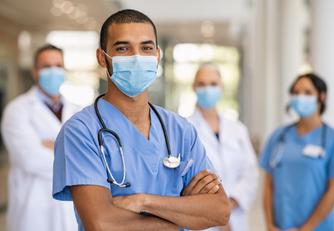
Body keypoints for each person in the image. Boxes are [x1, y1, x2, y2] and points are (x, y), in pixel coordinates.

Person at [52, 9, 231, 231]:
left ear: (157, 56)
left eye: (146, 48)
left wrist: (143, 201)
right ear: (102, 57)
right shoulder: (81, 131)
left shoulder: (180, 129)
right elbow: (101, 223)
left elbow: (220, 211)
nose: (137, 57)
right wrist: (182, 216)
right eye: (123, 48)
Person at [1, 44, 80, 231]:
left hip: (72, 209)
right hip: (33, 209)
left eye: (58, 65)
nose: (53, 70)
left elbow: (94, 155)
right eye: (46, 66)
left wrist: (50, 145)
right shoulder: (17, 110)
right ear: (35, 72)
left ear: (65, 70)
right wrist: (75, 151)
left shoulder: (79, 111)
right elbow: (31, 159)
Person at [187, 64, 259, 231]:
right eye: (202, 84)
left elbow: (250, 172)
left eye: (213, 84)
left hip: (236, 216)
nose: (208, 89)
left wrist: (230, 203)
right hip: (200, 218)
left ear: (222, 88)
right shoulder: (184, 128)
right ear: (193, 87)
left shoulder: (238, 130)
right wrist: (215, 209)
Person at [259, 73, 334, 231]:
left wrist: (305, 229)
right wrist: (270, 224)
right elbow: (268, 185)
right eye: (296, 92)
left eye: (307, 92)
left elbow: (332, 191)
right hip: (281, 226)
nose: (300, 97)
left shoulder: (330, 139)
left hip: (319, 227)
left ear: (322, 96)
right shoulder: (278, 136)